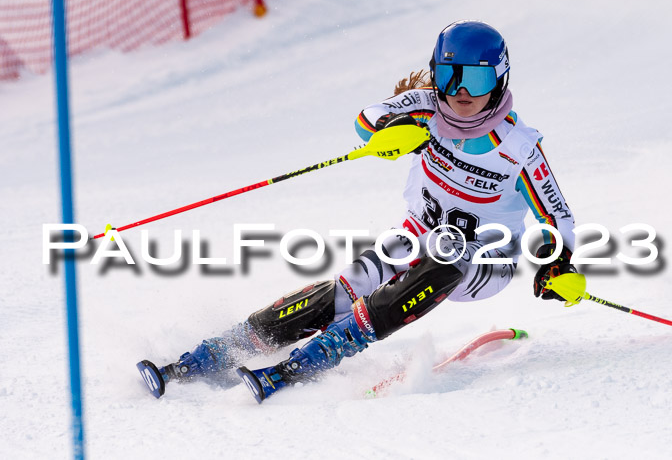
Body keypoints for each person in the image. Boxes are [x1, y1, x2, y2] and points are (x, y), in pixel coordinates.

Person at [137, 21, 579, 402]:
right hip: (416, 235)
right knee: (351, 284)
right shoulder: (428, 108)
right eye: (449, 76)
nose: (460, 92)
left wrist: (558, 263)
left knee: (449, 251)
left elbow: (558, 218)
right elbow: (368, 118)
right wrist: (394, 130)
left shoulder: (519, 150)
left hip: (485, 262)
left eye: (477, 81)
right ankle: (222, 350)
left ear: (499, 81)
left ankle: (326, 351)